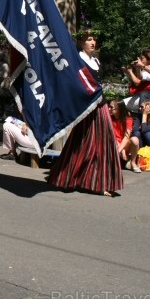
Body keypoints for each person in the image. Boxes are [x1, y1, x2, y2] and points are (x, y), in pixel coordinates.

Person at [48, 30, 124, 196]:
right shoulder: (78, 59)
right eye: (89, 40)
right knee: (83, 143)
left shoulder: (96, 60)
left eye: (94, 39)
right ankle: (67, 177)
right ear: (81, 42)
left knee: (104, 142)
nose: (92, 42)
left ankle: (100, 182)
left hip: (100, 104)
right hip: (87, 106)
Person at [109, 99, 138, 170]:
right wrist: (121, 150)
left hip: (124, 143)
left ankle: (133, 162)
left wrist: (120, 150)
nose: (109, 109)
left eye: (111, 107)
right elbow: (111, 136)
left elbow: (126, 136)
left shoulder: (128, 119)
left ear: (118, 109)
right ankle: (125, 160)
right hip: (113, 142)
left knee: (135, 139)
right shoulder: (109, 118)